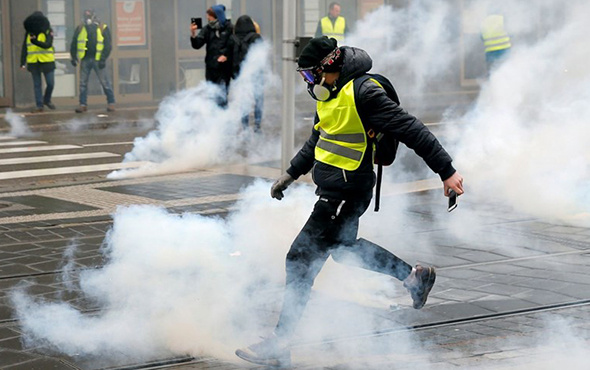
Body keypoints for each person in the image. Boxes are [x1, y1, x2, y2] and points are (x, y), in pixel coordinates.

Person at [235, 36, 464, 367]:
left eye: (311, 76)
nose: (309, 84)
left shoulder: (365, 92)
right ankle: (414, 276)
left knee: (299, 259)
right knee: (343, 249)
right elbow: (319, 137)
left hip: (345, 192)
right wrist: (291, 173)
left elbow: (411, 129)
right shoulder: (329, 96)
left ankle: (280, 345)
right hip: (335, 189)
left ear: (330, 67)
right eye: (305, 78)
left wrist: (447, 171)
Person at [70, 9, 115, 113]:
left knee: (105, 82)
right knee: (83, 83)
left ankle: (111, 103)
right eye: (86, 17)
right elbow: (74, 43)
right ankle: (82, 104)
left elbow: (108, 45)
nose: (88, 19)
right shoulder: (81, 28)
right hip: (85, 59)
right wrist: (73, 56)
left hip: (98, 59)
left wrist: (103, 58)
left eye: (89, 16)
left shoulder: (102, 27)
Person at [190, 4, 233, 106]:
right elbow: (197, 44)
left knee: (222, 96)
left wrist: (226, 56)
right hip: (211, 68)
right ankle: (214, 119)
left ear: (217, 16)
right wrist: (193, 33)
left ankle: (223, 118)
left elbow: (233, 46)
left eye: (209, 16)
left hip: (224, 68)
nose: (207, 18)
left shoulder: (229, 28)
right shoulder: (207, 29)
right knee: (211, 96)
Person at [229, 15, 263, 132]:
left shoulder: (233, 39)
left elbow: (230, 58)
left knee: (244, 100)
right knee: (258, 100)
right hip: (256, 75)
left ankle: (245, 127)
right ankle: (257, 126)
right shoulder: (256, 38)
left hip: (240, 75)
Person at [20, 11, 56, 113]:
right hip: (33, 62)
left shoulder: (48, 31)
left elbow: (48, 44)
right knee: (37, 84)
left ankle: (47, 100)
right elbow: (25, 48)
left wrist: (35, 41)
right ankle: (39, 105)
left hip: (47, 61)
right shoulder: (29, 33)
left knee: (50, 83)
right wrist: (22, 62)